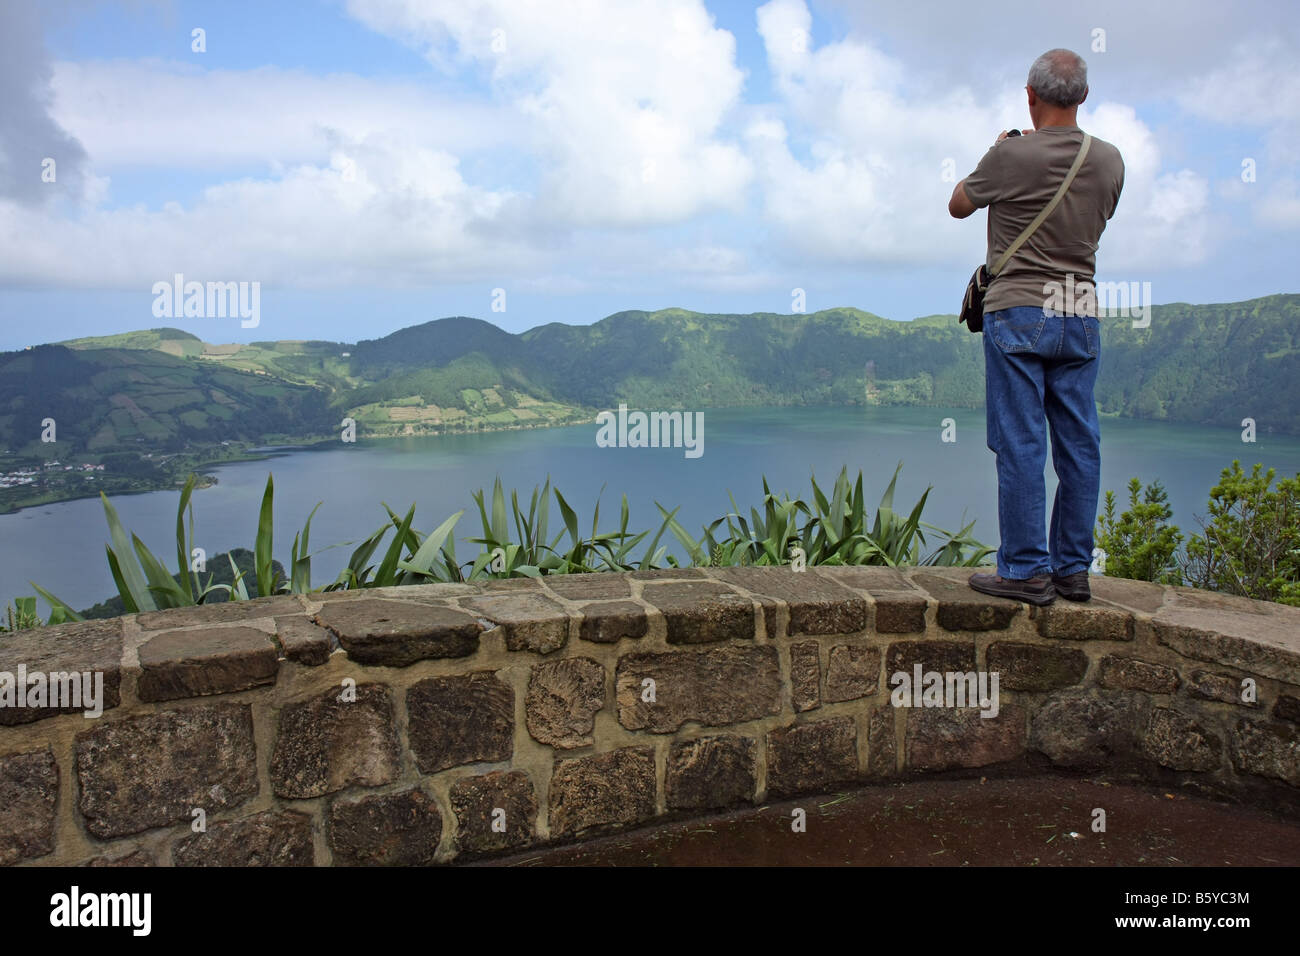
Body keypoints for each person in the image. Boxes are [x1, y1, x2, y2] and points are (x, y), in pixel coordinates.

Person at [947, 48, 1125, 605]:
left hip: (1019, 308)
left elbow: (957, 205)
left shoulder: (1012, 156)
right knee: (1080, 443)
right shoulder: (1111, 160)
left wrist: (1000, 150)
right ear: (1084, 97)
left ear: (1030, 96)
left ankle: (1025, 571)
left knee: (1021, 442)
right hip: (1079, 312)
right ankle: (1073, 570)